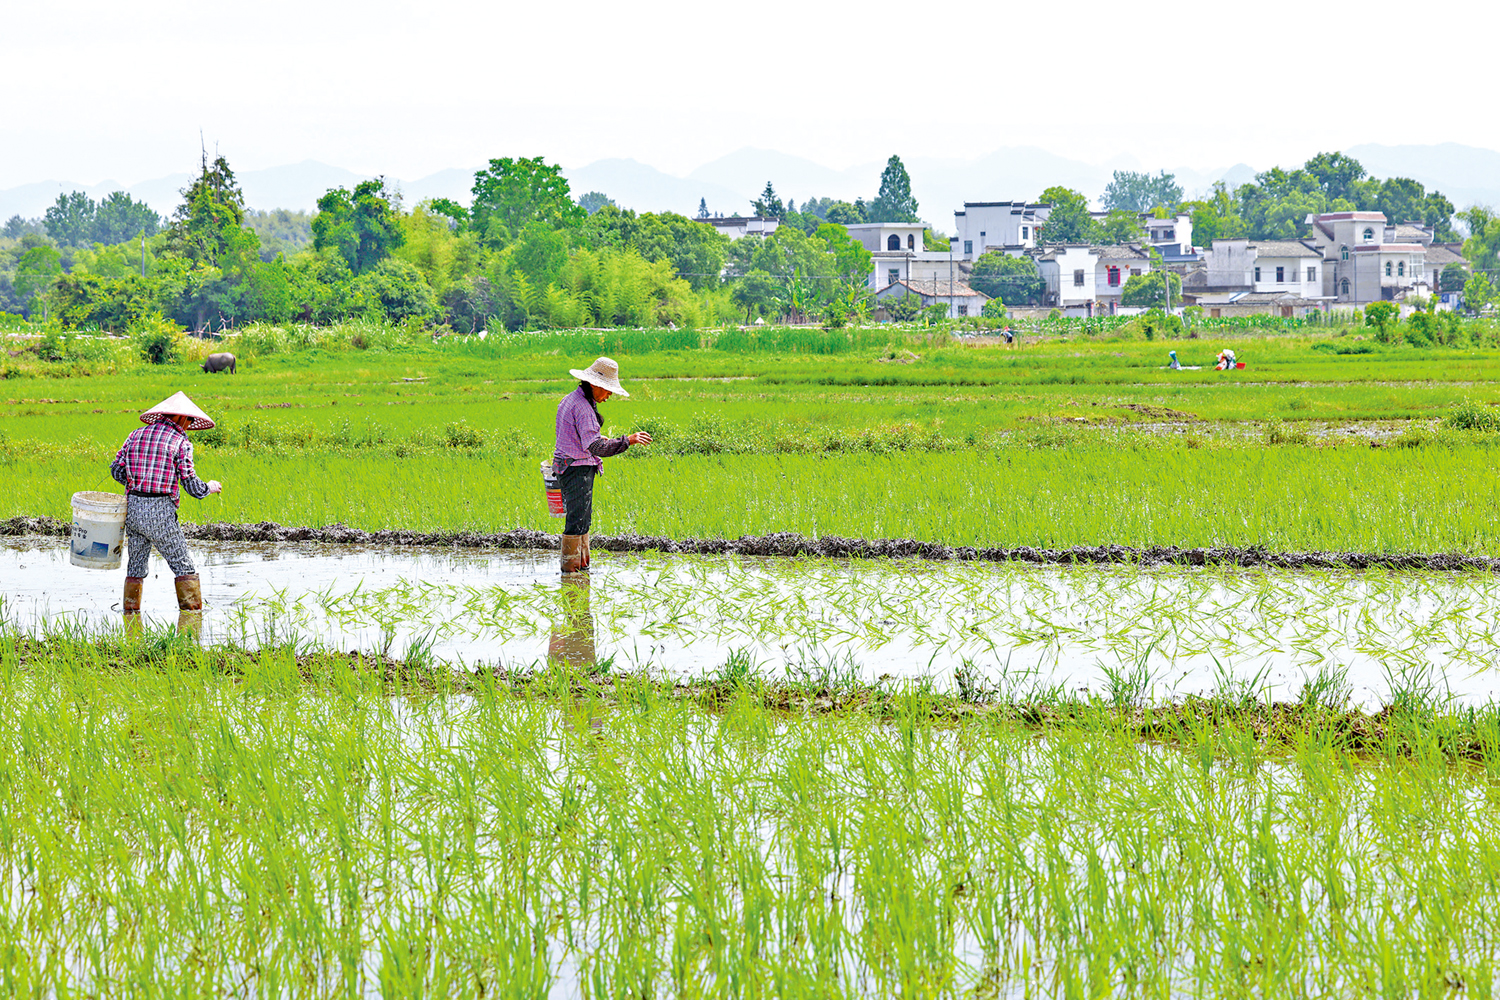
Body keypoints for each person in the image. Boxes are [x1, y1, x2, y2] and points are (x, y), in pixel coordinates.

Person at [110, 391, 222, 614]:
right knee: (183, 566)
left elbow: (116, 469)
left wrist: (136, 481)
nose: (189, 426)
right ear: (182, 418)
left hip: (132, 509)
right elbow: (190, 483)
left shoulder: (135, 435)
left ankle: (130, 613)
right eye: (189, 421)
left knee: (136, 565)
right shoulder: (181, 442)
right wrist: (208, 488)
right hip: (160, 511)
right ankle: (193, 615)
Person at [553, 357, 652, 573]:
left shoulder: (571, 400)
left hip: (567, 466)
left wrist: (600, 437)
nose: (608, 396)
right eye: (607, 391)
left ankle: (581, 569)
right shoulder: (584, 408)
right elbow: (597, 448)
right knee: (577, 521)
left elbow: (574, 436)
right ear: (595, 385)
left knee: (581, 518)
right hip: (577, 469)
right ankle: (571, 571)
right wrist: (628, 440)